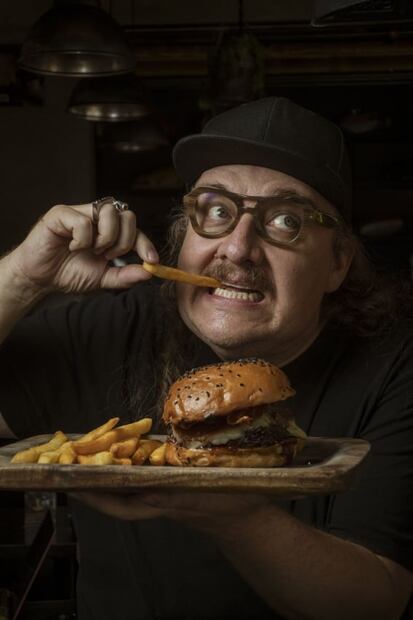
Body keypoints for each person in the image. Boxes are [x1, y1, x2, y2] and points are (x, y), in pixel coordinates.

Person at [0, 96, 412, 620]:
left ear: (337, 263)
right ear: (183, 232)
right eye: (216, 210)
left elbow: (375, 601)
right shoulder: (110, 327)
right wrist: (21, 279)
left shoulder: (395, 365)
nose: (237, 249)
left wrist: (232, 515)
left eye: (285, 220)